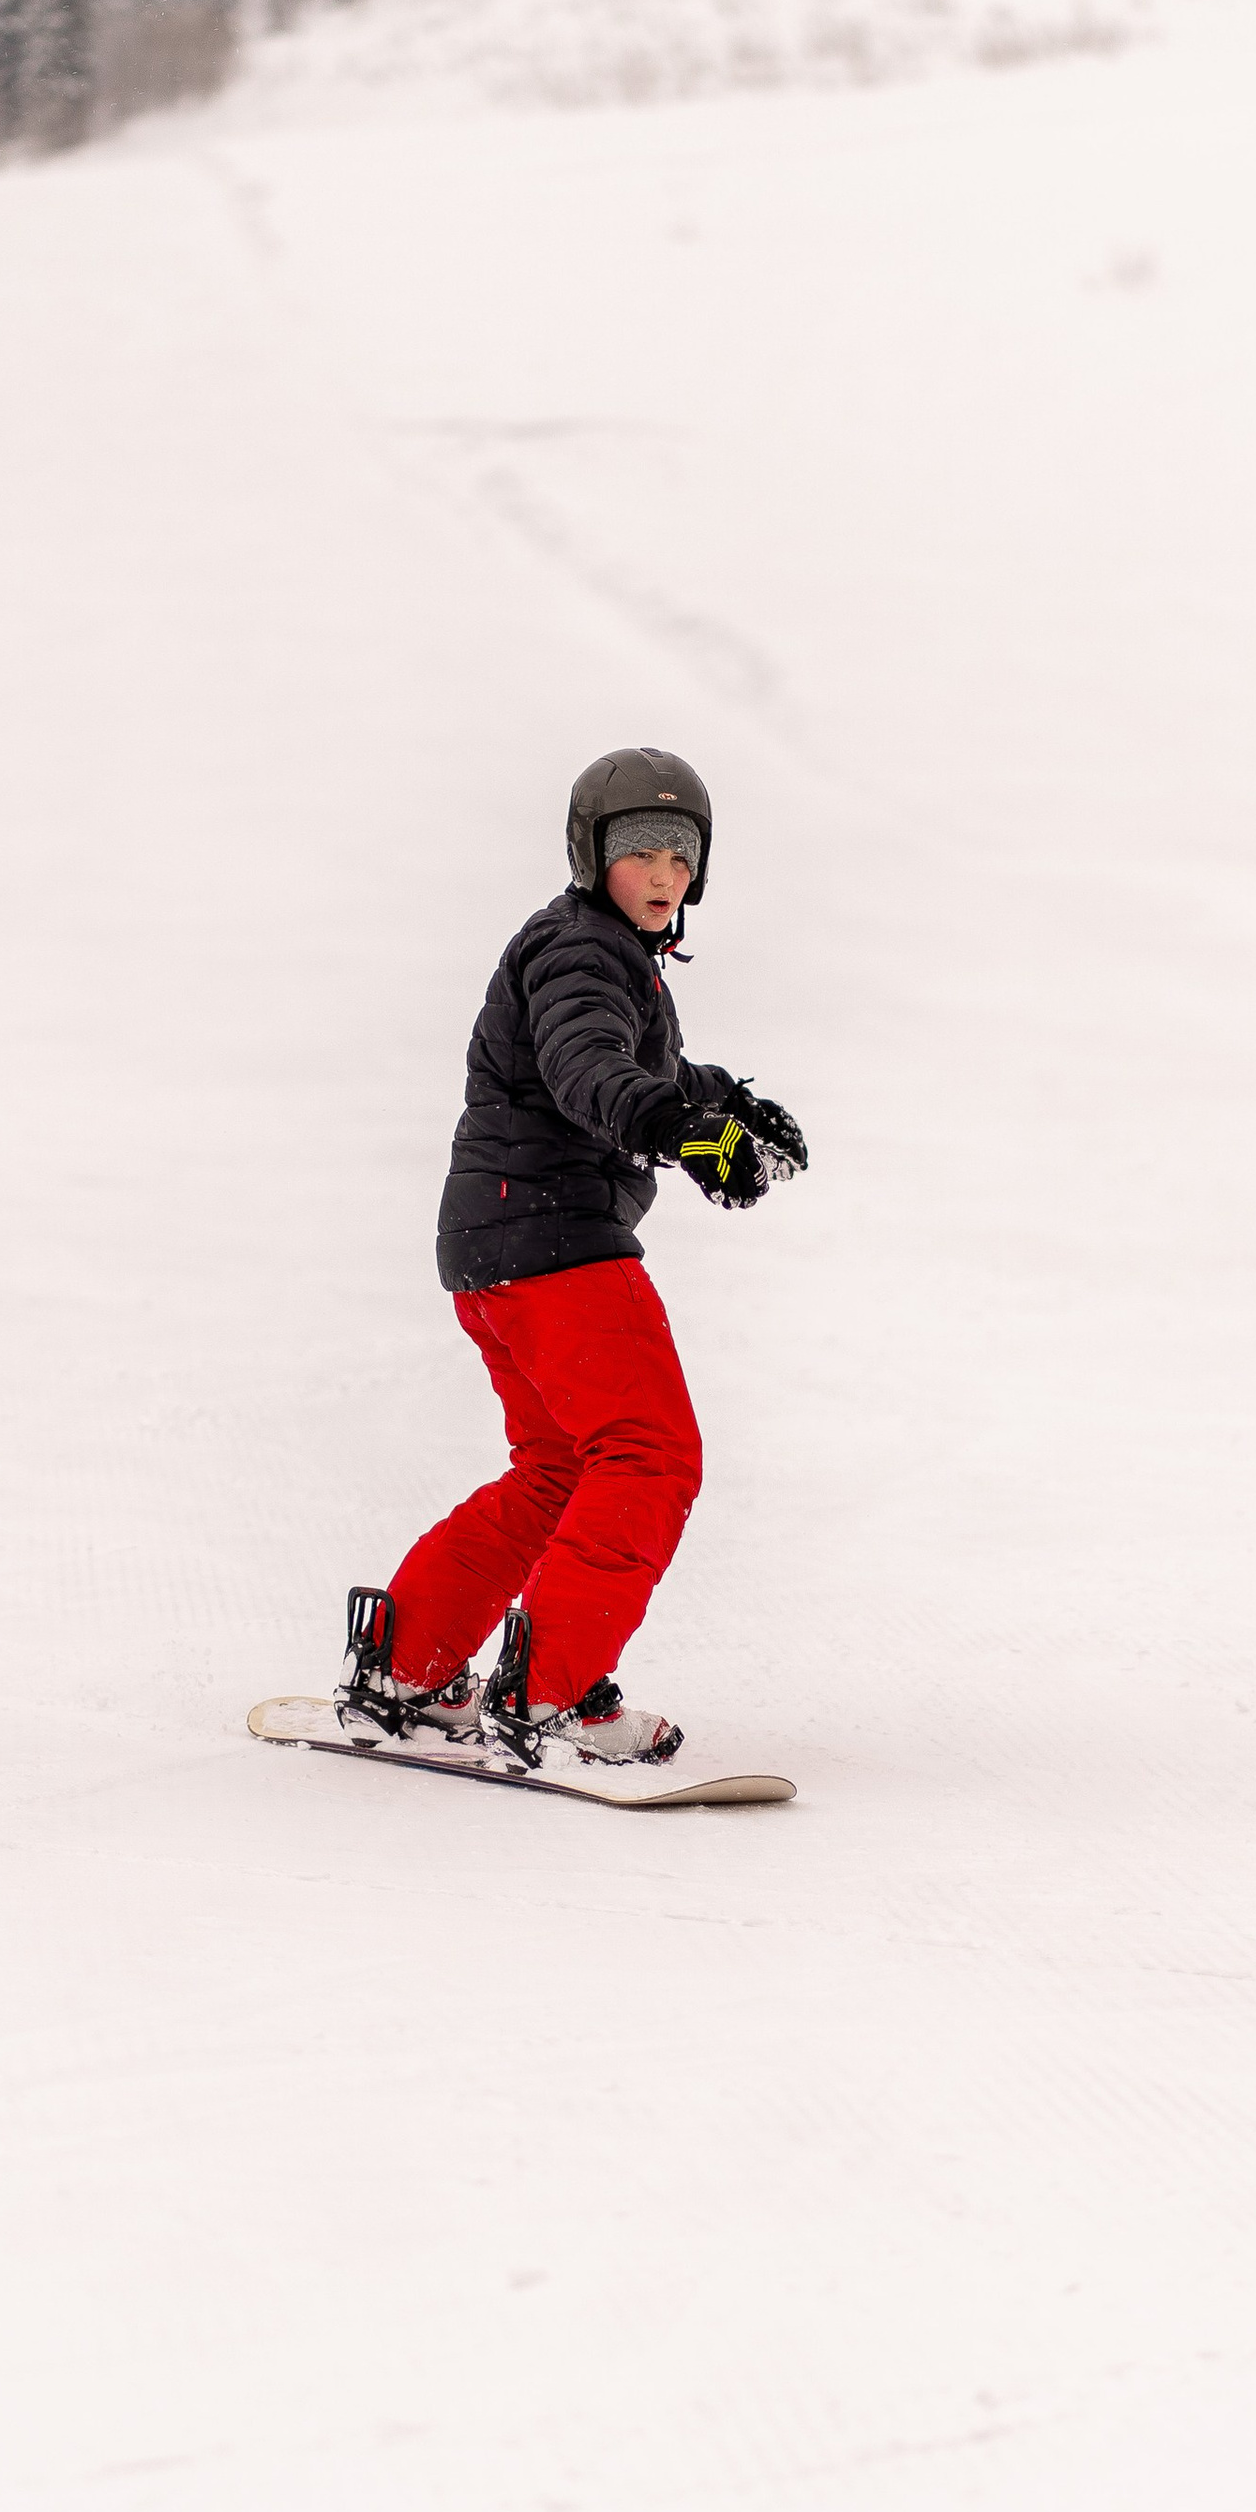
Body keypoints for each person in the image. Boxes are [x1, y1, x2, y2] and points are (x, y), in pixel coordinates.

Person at [342, 745, 807, 1775]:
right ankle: (550, 1694)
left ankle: (408, 1668)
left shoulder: (594, 952)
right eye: (639, 851)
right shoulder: (581, 956)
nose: (663, 875)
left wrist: (720, 1103)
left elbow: (638, 1062)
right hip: (557, 1247)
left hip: (498, 1247)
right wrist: (673, 1126)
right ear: (590, 852)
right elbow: (589, 1065)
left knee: (557, 1469)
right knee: (650, 1456)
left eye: (682, 858)